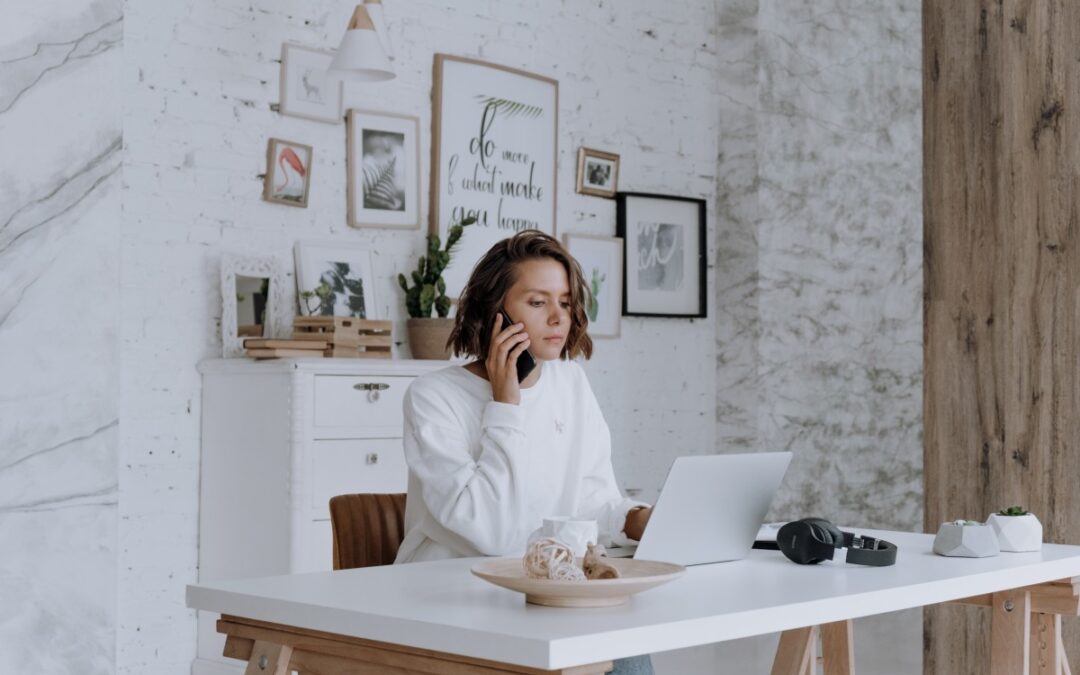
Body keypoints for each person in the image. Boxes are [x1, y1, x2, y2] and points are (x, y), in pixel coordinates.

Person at [395, 230, 655, 675]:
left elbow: (590, 500)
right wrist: (505, 404)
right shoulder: (433, 396)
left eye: (567, 302)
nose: (558, 317)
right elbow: (491, 534)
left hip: (550, 594)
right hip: (455, 601)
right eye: (538, 302)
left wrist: (635, 519)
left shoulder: (570, 383)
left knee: (627, 644)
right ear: (494, 311)